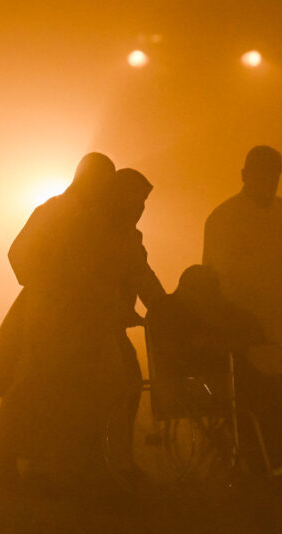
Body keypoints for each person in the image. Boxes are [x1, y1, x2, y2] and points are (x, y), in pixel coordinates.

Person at [0, 152, 131, 488]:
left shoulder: (91, 216)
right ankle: (4, 460)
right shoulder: (55, 210)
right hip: (50, 314)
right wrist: (53, 283)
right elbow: (19, 254)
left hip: (73, 315)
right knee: (32, 385)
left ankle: (43, 463)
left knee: (58, 391)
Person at [147, 265, 282, 479]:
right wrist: (216, 342)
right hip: (196, 384)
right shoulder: (167, 311)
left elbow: (247, 325)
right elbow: (181, 352)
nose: (213, 295)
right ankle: (273, 464)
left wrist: (237, 336)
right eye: (208, 290)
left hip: (230, 377)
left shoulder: (211, 308)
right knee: (257, 400)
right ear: (192, 288)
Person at [203, 145, 282, 399]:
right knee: (255, 403)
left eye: (275, 174)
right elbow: (212, 279)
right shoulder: (223, 219)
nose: (270, 181)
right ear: (244, 175)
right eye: (262, 173)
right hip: (247, 335)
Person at [106, 168, 166, 481]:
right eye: (137, 200)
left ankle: (116, 460)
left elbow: (143, 276)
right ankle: (115, 464)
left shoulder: (128, 235)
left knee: (127, 385)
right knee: (121, 387)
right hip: (87, 329)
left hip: (106, 328)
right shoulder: (98, 233)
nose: (141, 208)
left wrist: (166, 308)